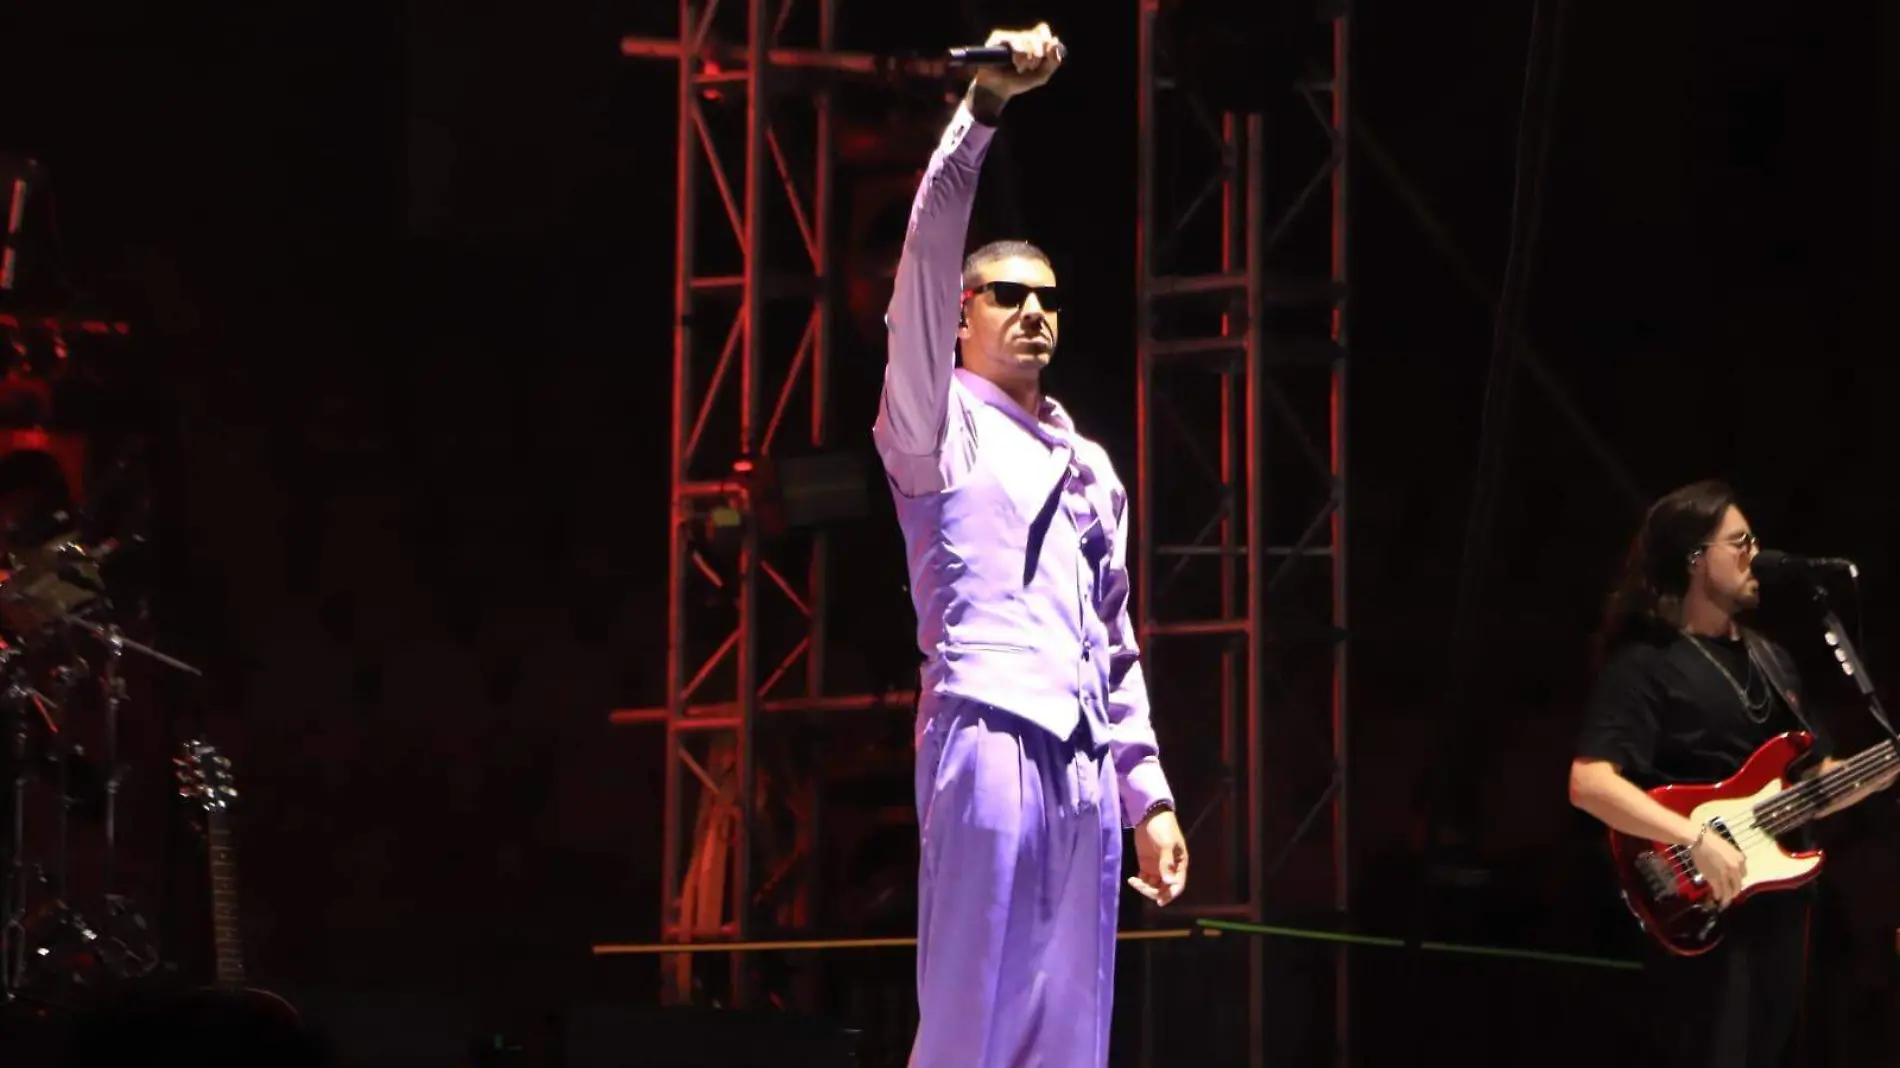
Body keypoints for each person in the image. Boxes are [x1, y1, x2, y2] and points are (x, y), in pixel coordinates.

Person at [871, 22, 1188, 1068]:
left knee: (1069, 1029)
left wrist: (1148, 795)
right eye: (1007, 295)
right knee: (971, 1014)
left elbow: (1115, 644)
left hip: (1085, 761)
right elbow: (923, 267)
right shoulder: (934, 426)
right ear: (962, 318)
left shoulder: (1090, 464)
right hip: (986, 731)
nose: (1033, 312)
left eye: (1047, 298)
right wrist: (982, 115)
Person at [1568, 479, 1889, 1067]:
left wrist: (1878, 770)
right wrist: (1695, 837)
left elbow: (1816, 781)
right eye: (1739, 543)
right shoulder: (1646, 662)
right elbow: (1590, 783)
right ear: (1696, 559)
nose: (1755, 555)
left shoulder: (1772, 659)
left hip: (1778, 903)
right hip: (1696, 899)